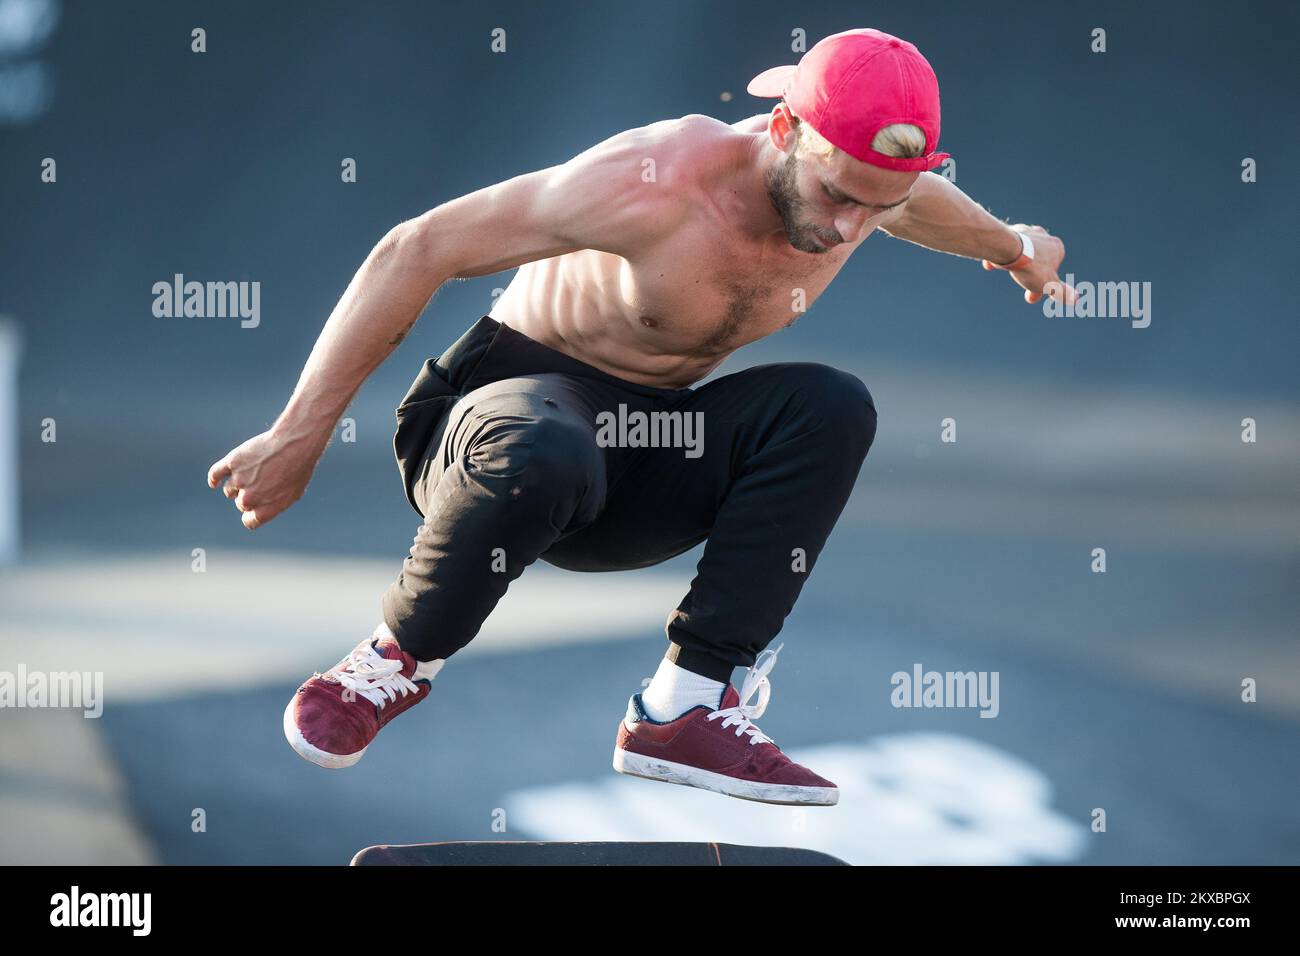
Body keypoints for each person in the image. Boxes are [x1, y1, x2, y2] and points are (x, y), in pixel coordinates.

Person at [207, 28, 1075, 805]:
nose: (849, 224)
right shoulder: (654, 179)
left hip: (637, 460)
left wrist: (1022, 250)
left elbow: (932, 210)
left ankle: (686, 707)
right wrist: (298, 434)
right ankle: (390, 661)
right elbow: (418, 247)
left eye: (875, 207)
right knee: (546, 442)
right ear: (783, 130)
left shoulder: (875, 191)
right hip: (497, 424)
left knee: (829, 405)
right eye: (836, 193)